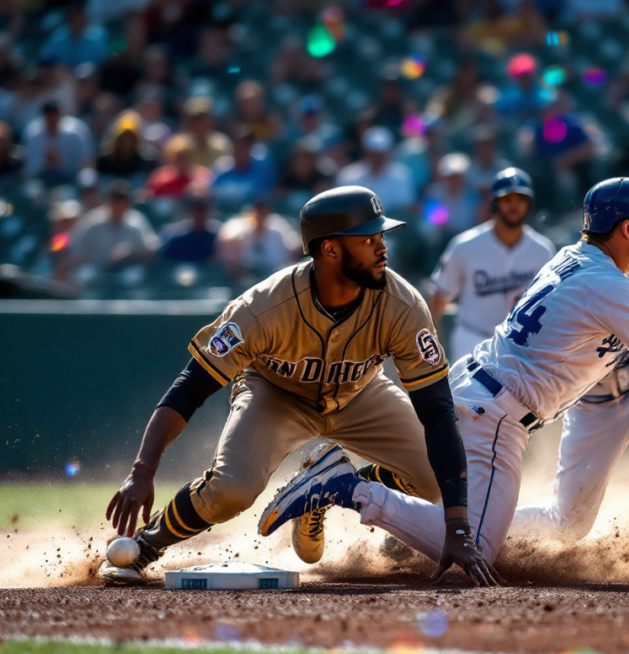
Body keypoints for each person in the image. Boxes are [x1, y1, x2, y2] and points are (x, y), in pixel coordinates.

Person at [260, 178, 629, 576]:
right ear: (626, 229)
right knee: (484, 549)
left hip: (517, 394)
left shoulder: (598, 264)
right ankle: (352, 489)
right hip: (507, 410)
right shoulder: (605, 283)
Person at [102, 186, 500, 588]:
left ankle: (331, 486)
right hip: (276, 394)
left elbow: (436, 411)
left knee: (430, 479)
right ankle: (146, 544)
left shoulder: (404, 305)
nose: (382, 249)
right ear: (329, 250)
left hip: (360, 392)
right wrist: (142, 469)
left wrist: (458, 526)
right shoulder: (262, 307)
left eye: (381, 237)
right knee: (232, 490)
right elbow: (190, 388)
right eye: (368, 240)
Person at [429, 168, 555, 359]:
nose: (514, 206)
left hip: (522, 342)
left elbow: (553, 304)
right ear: (495, 204)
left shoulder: (543, 250)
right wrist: (431, 342)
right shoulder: (465, 245)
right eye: (507, 200)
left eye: (520, 200)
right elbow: (441, 296)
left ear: (529, 204)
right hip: (473, 338)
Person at [59, 180, 159, 279]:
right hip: (96, 274)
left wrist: (131, 252)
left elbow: (153, 248)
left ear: (128, 203)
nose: (119, 205)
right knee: (86, 275)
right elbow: (73, 250)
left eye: (122, 201)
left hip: (125, 273)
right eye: (115, 200)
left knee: (133, 277)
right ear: (107, 201)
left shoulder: (136, 220)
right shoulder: (91, 221)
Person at [216, 198, 302, 284]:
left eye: (262, 212)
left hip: (276, 274)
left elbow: (294, 248)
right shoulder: (242, 229)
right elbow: (226, 241)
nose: (260, 215)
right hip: (249, 276)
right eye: (257, 211)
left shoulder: (278, 227)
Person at [336, 127, 416, 212]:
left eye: (381, 154)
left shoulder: (401, 175)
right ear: (365, 152)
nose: (378, 159)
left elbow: (407, 208)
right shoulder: (348, 176)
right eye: (374, 154)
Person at [22, 100, 95, 182]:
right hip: (40, 180)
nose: (52, 119)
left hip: (71, 180)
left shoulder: (76, 133)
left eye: (55, 115)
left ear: (60, 114)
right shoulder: (33, 134)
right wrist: (45, 163)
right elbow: (29, 169)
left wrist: (62, 163)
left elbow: (86, 163)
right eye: (48, 115)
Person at [160, 196, 222, 264]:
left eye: (203, 210)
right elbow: (165, 261)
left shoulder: (217, 240)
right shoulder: (177, 240)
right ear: (190, 212)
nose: (199, 215)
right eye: (196, 210)